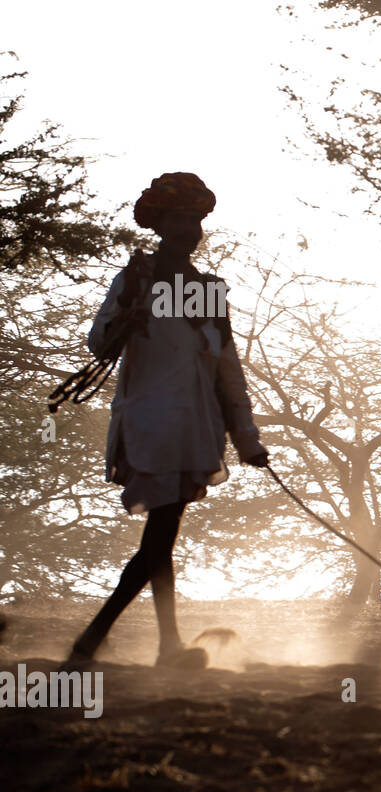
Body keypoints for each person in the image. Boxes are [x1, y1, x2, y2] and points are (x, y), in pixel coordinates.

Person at [64, 172, 268, 669]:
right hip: (149, 422)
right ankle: (103, 643)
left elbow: (227, 367)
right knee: (161, 534)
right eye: (181, 218)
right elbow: (98, 342)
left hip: (195, 426)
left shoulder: (208, 291)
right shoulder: (135, 280)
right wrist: (123, 320)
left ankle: (157, 646)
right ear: (161, 224)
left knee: (161, 535)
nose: (191, 228)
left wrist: (245, 436)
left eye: (196, 219)